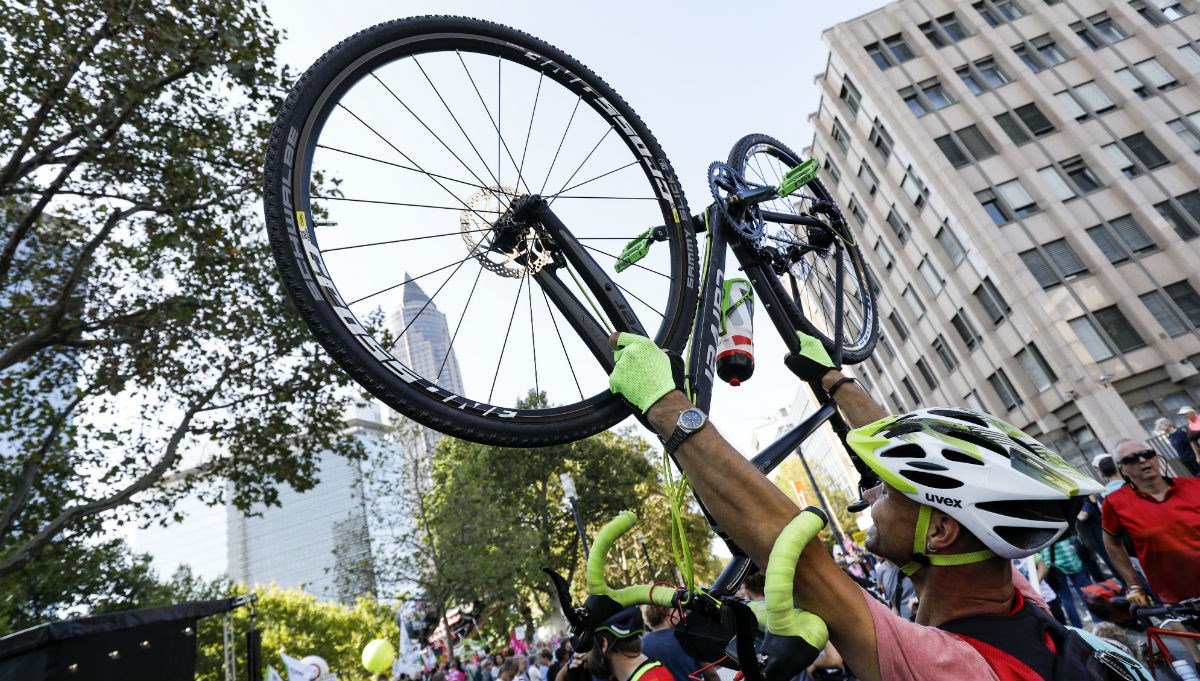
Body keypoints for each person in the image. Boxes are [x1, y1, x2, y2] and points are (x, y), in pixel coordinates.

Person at [608, 332, 1120, 681]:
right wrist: (833, 379)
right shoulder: (1021, 607)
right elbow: (915, 475)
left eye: (891, 492)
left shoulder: (953, 668)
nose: (871, 493)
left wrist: (668, 406)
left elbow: (800, 555)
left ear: (940, 533)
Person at [1101, 438, 1200, 671]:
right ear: (1122, 469)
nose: (1143, 460)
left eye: (1147, 453)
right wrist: (1133, 584)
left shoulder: (1194, 486)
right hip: (1173, 595)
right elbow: (1112, 544)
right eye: (1132, 459)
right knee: (1196, 663)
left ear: (1157, 457)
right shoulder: (1115, 503)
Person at [558, 607, 673, 681]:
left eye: (589, 646)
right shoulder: (622, 676)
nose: (585, 654)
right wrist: (570, 672)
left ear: (604, 644)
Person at [640, 605, 719, 681]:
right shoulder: (687, 637)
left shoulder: (642, 644)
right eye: (675, 610)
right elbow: (711, 674)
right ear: (665, 613)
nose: (680, 614)